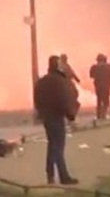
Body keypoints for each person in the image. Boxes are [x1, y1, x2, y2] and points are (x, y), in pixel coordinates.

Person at [34, 55, 79, 185]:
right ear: (57, 65)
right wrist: (70, 116)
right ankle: (63, 177)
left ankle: (51, 175)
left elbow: (37, 99)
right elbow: (64, 100)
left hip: (47, 117)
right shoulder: (59, 81)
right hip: (57, 116)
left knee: (52, 145)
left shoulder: (42, 81)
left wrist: (41, 112)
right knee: (58, 146)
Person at [89, 54, 110, 120]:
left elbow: (91, 76)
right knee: (106, 101)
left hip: (98, 86)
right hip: (106, 86)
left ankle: (99, 115)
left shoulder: (94, 67)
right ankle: (104, 115)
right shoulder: (109, 67)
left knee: (99, 101)